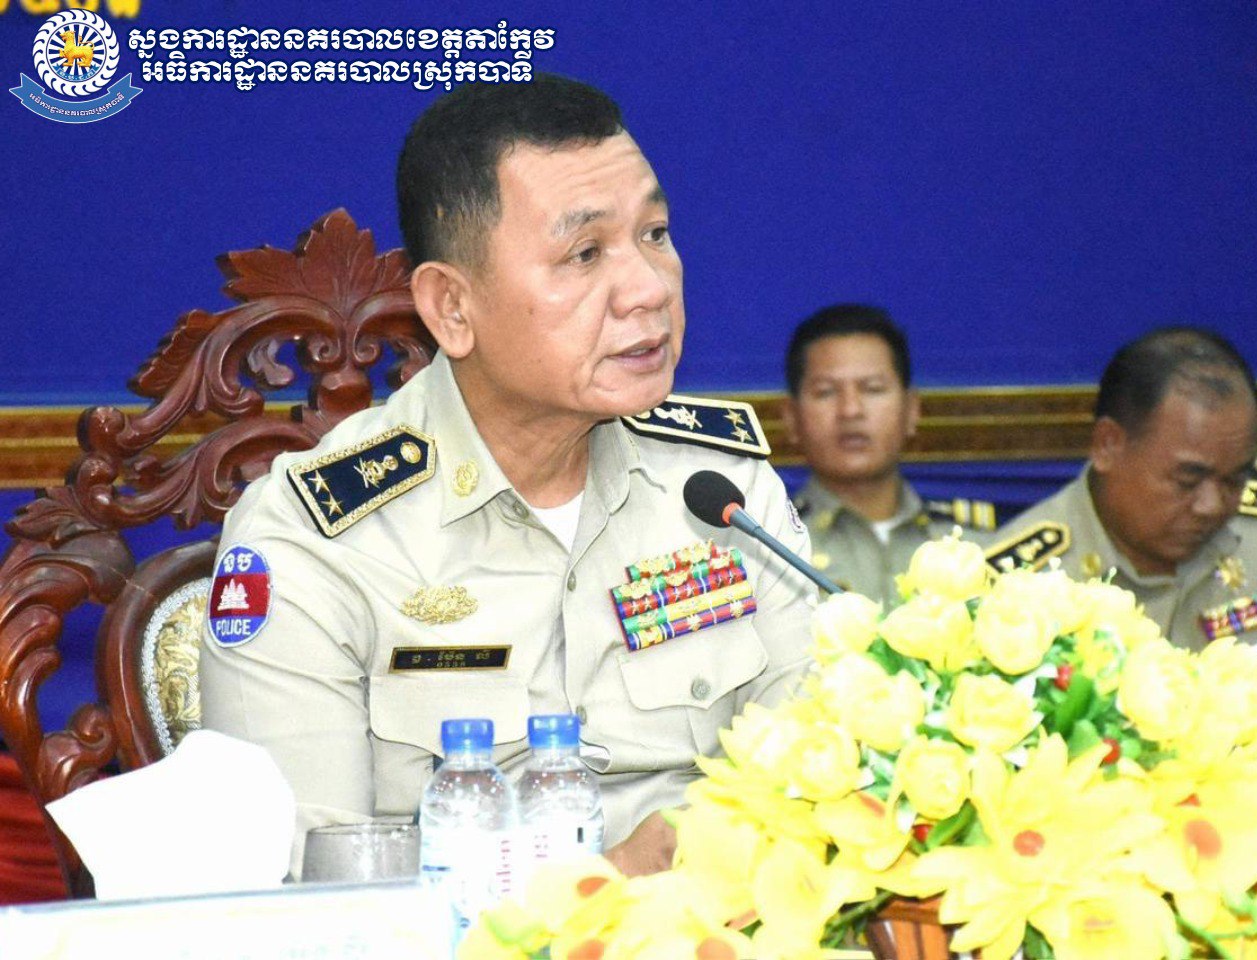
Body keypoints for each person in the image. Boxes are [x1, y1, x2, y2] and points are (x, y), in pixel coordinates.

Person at [199, 75, 815, 880]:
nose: (648, 288)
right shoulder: (313, 541)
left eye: (656, 233)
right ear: (453, 308)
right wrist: (599, 890)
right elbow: (308, 897)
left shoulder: (720, 489)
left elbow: (829, 772)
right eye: (584, 254)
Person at [987, 327, 1257, 681]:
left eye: (1234, 479)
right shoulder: (1010, 595)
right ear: (1108, 445)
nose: (1212, 505)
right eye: (1187, 480)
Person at [783, 304, 997, 602]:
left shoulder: (974, 542)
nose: (851, 410)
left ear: (911, 410)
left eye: (873, 389)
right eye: (826, 392)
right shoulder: (771, 546)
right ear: (791, 418)